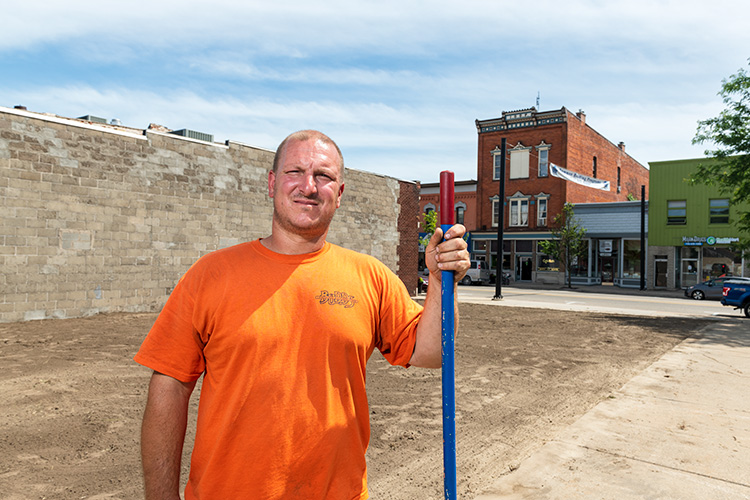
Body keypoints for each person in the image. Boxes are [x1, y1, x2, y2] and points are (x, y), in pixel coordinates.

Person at [135, 129, 470, 500]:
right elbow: (169, 386)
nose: (308, 186)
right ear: (272, 182)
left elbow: (433, 352)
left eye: (323, 176)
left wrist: (440, 284)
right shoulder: (211, 275)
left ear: (339, 194)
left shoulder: (370, 276)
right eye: (295, 172)